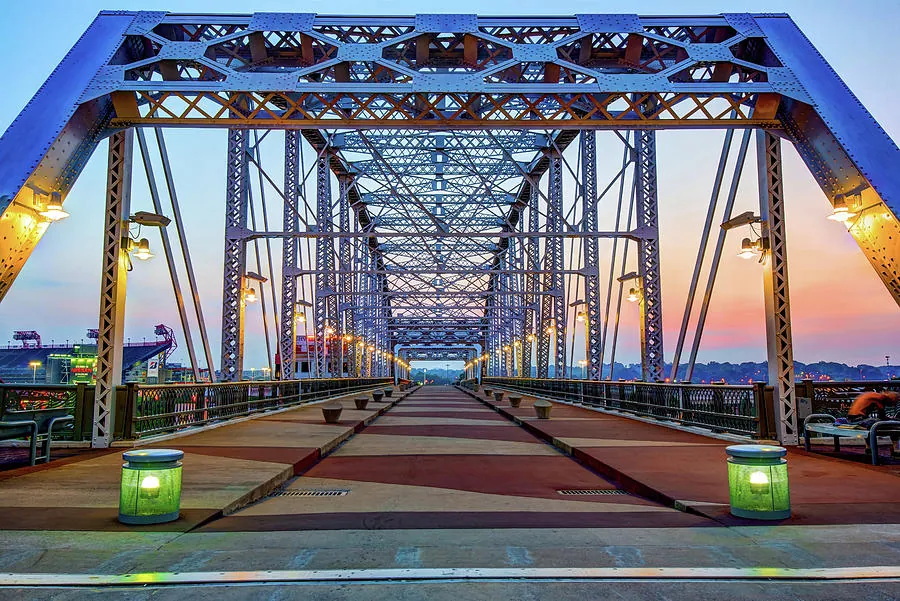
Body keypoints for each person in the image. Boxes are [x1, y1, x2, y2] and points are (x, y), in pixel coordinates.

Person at [847, 391, 900, 457]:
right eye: (895, 401)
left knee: (871, 425)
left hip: (852, 419)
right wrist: (893, 420)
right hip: (858, 420)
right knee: (893, 426)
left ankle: (868, 448)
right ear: (891, 399)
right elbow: (882, 416)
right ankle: (896, 450)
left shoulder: (873, 395)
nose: (894, 404)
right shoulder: (880, 397)